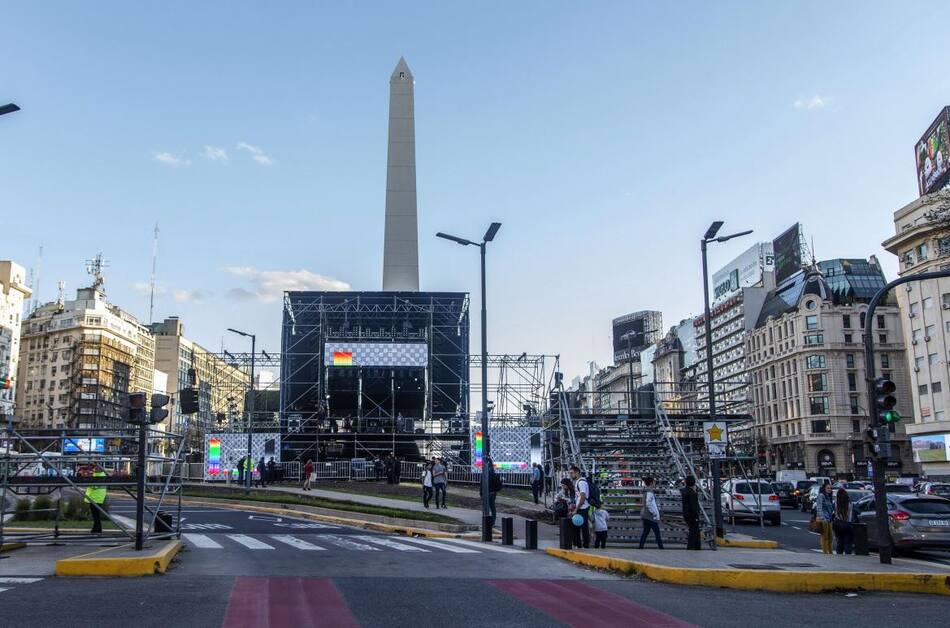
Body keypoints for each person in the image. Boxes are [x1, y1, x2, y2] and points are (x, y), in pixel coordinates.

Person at [569, 465, 591, 549]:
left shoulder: (581, 483)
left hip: (582, 508)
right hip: (581, 507)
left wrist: (576, 509)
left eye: (572, 473)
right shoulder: (579, 481)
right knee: (580, 527)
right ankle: (581, 545)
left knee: (580, 527)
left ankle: (582, 546)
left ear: (577, 473)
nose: (570, 475)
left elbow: (582, 497)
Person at [639, 476, 664, 549]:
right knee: (657, 532)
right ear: (651, 483)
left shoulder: (646, 491)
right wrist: (654, 513)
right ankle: (661, 547)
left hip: (645, 515)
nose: (655, 483)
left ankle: (641, 546)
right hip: (650, 516)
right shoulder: (649, 492)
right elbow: (649, 504)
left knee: (646, 532)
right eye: (654, 482)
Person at [83, 465, 108, 534]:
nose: (95, 469)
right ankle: (96, 528)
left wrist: (89, 479)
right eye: (95, 467)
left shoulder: (101, 476)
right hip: (93, 497)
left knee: (96, 515)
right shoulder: (96, 474)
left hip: (97, 498)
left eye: (96, 467)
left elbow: (95, 486)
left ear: (100, 468)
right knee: (95, 515)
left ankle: (97, 529)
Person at [681, 475, 701, 550]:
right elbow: (694, 506)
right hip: (692, 515)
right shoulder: (692, 493)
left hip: (686, 514)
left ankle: (696, 546)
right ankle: (692, 547)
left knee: (695, 531)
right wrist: (696, 515)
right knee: (693, 531)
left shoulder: (684, 491)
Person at [833, 486, 854, 555]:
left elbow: (835, 512)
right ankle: (847, 555)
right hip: (847, 524)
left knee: (840, 541)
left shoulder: (836, 503)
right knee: (848, 542)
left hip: (838, 524)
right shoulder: (850, 503)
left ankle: (839, 554)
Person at [815, 482, 835, 554]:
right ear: (824, 489)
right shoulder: (821, 496)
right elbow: (819, 507)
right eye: (828, 488)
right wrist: (822, 518)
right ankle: (825, 552)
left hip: (829, 519)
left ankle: (830, 551)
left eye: (830, 488)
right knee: (825, 536)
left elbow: (831, 508)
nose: (830, 489)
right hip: (824, 519)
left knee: (830, 537)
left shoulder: (829, 497)